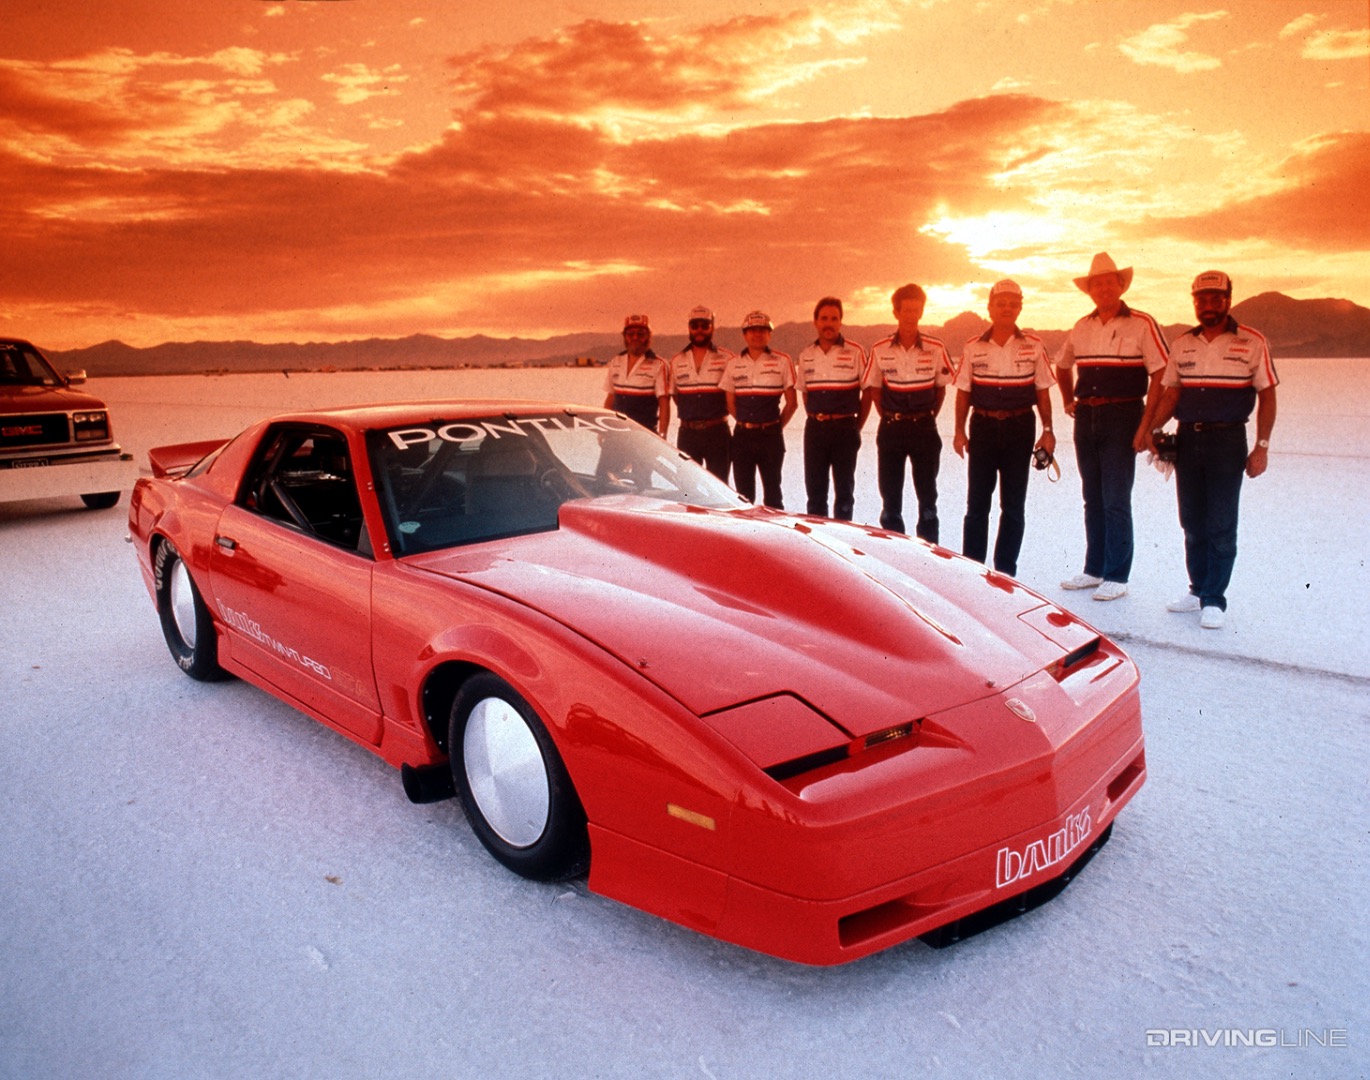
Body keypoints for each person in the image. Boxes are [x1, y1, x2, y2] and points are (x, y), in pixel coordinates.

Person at [1142, 271, 1278, 629]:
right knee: (1191, 520)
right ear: (1194, 302)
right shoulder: (1183, 343)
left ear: (1228, 300)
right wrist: (1155, 429)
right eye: (1201, 299)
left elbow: (1267, 395)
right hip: (1188, 439)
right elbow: (1171, 392)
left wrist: (1262, 447)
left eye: (1216, 298)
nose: (1208, 305)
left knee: (1220, 522)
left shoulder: (1252, 342)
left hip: (1228, 441)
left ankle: (1215, 599)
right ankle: (1198, 588)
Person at [1055, 253, 1170, 601]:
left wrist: (1145, 425)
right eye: (1097, 283)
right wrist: (1066, 400)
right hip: (1086, 418)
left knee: (1116, 498)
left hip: (1123, 417)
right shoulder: (1081, 326)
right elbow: (1062, 366)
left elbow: (1162, 375)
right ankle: (1095, 569)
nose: (1104, 288)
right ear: (1090, 290)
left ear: (1120, 285)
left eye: (1110, 281)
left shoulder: (1141, 323)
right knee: (1093, 497)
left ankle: (1117, 575)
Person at [952, 279, 1056, 577]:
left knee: (1013, 505)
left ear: (1020, 307)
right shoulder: (973, 347)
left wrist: (1048, 429)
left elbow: (1043, 391)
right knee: (977, 504)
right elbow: (963, 392)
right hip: (983, 427)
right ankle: (971, 568)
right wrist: (959, 431)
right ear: (990, 308)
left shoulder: (1033, 345)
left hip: (1020, 426)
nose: (1007, 308)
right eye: (1001, 303)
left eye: (1013, 303)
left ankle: (1006, 572)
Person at [862, 283, 953, 541]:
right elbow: (875, 391)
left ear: (921, 312)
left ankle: (929, 560)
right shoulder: (880, 349)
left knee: (927, 502)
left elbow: (940, 390)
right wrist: (891, 417)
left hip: (924, 429)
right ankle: (895, 556)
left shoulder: (935, 348)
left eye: (916, 310)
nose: (911, 315)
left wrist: (925, 417)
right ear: (896, 312)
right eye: (906, 310)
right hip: (891, 429)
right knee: (891, 503)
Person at [795, 296, 869, 520]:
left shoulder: (855, 352)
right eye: (824, 318)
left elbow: (868, 392)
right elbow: (805, 394)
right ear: (815, 322)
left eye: (834, 319)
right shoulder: (806, 355)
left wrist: (856, 426)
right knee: (815, 495)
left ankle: (842, 545)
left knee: (844, 494)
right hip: (815, 430)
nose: (829, 323)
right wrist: (819, 417)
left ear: (841, 322)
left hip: (845, 429)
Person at [722, 310, 797, 508]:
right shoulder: (733, 364)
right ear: (745, 334)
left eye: (762, 330)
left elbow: (792, 403)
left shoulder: (782, 361)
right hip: (742, 437)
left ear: (769, 334)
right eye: (752, 330)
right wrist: (746, 422)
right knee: (743, 498)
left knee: (773, 496)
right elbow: (729, 402)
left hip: (771, 436)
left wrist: (775, 426)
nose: (757, 334)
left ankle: (775, 538)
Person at [667, 306, 734, 479]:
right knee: (686, 486)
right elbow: (675, 395)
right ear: (689, 328)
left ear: (712, 327)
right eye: (695, 325)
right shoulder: (676, 360)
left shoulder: (727, 358)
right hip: (687, 433)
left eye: (705, 325)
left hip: (717, 432)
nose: (699, 330)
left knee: (719, 485)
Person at [603, 314, 669, 437]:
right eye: (630, 334)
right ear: (624, 336)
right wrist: (603, 429)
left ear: (648, 336)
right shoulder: (616, 361)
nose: (635, 337)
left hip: (643, 435)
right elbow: (610, 399)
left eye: (641, 334)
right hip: (615, 432)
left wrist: (663, 435)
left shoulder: (659, 364)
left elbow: (664, 404)